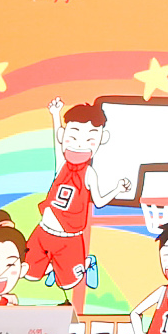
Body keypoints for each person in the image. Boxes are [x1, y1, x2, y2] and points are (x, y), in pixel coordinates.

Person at [24, 98, 128, 302]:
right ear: (64, 136)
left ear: (102, 138)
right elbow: (57, 140)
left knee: (69, 284)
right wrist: (55, 115)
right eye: (73, 137)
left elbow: (99, 201)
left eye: (90, 139)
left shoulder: (89, 173)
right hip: (44, 231)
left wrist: (117, 189)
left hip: (69, 238)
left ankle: (86, 264)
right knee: (29, 274)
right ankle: (52, 266)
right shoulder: (62, 164)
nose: (80, 144)